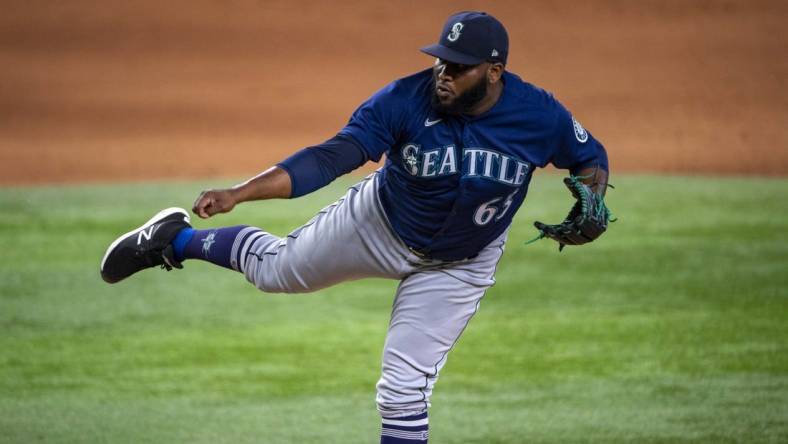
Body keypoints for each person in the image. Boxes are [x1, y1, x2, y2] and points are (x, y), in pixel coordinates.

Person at [100, 11, 611, 444]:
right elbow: (330, 158)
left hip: (460, 264)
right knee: (275, 270)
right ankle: (175, 239)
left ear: (494, 70)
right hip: (377, 224)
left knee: (404, 388)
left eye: (458, 67)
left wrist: (593, 200)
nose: (443, 74)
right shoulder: (401, 101)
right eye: (439, 61)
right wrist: (239, 192)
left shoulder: (539, 115)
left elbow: (590, 158)